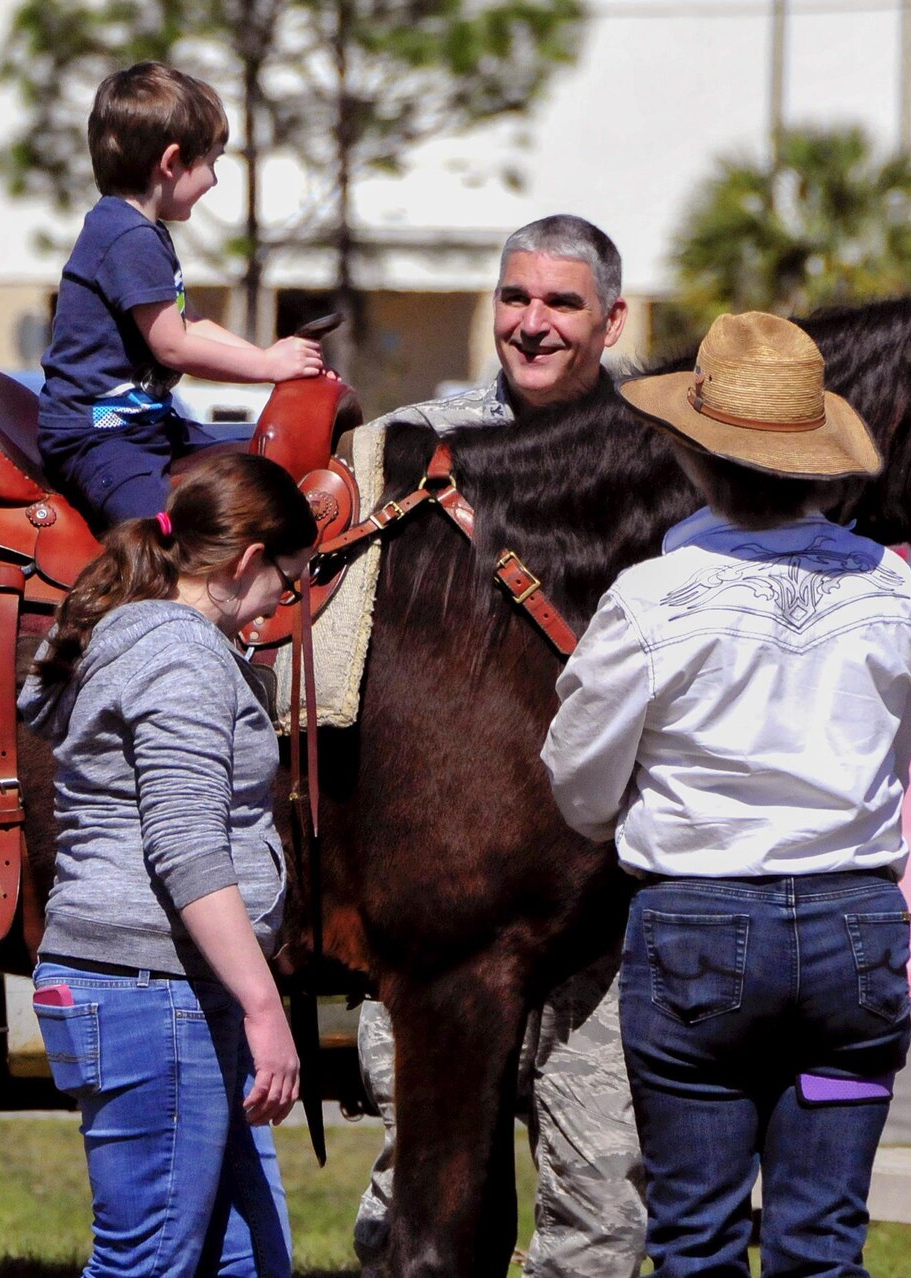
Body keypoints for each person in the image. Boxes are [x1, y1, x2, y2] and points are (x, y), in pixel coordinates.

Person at [544, 311, 911, 1278]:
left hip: (698, 941)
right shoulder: (893, 591)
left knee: (698, 1235)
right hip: (854, 941)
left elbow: (580, 787)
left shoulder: (650, 599)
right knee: (822, 1239)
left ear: (691, 454)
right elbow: (897, 741)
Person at [351, 213, 650, 1278]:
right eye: (513, 298)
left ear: (611, 320)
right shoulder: (415, 445)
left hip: (602, 894)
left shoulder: (658, 464)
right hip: (442, 896)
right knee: (422, 1195)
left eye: (561, 303)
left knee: (600, 1202)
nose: (530, 324)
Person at [18, 451, 319, 1277]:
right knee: (147, 1262)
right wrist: (265, 1007)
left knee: (244, 1258)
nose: (277, 608)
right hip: (152, 991)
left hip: (166, 989)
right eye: (284, 584)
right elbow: (186, 845)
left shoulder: (142, 639)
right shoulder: (182, 656)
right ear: (247, 561)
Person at [36, 62, 323, 526]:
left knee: (257, 459)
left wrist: (271, 360)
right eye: (211, 162)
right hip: (100, 438)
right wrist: (268, 367)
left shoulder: (143, 231)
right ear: (171, 163)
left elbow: (187, 324)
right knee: (167, 535)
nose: (213, 178)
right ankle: (133, 597)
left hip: (145, 425)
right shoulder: (127, 237)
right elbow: (173, 346)